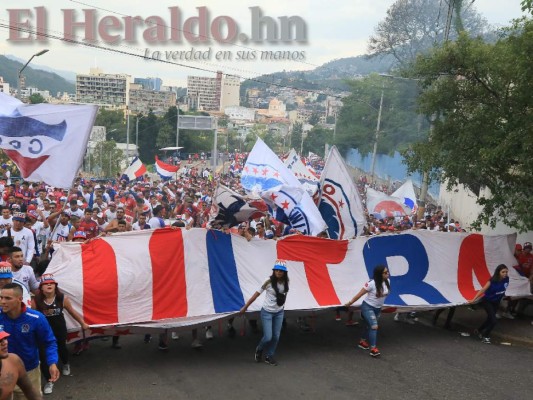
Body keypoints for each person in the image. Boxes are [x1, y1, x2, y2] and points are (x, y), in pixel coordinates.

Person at [0, 283, 59, 399]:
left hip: (29, 371)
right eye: (1, 297)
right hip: (3, 371)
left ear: (19, 299)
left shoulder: (36, 318)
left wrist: (52, 363)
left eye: (7, 298)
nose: (2, 301)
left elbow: (49, 342)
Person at [32, 274, 89, 394]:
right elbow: (33, 318)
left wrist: (82, 323)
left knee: (62, 347)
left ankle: (65, 363)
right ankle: (49, 380)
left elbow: (72, 313)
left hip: (59, 329)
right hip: (43, 332)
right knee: (43, 354)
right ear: (41, 288)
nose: (49, 285)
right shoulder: (36, 301)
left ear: (55, 286)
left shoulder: (62, 298)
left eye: (51, 283)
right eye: (45, 283)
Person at [240, 260, 289, 366]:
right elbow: (256, 294)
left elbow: (284, 295)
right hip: (267, 312)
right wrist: (245, 306)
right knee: (268, 337)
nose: (279, 272)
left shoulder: (286, 281)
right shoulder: (268, 281)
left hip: (279, 312)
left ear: (284, 272)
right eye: (277, 270)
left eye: (281, 271)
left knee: (276, 336)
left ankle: (269, 356)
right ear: (274, 270)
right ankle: (259, 349)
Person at [344, 265, 391, 357]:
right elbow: (359, 295)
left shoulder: (388, 281)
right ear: (379, 274)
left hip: (378, 308)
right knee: (374, 326)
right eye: (385, 272)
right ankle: (373, 349)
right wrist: (349, 303)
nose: (388, 273)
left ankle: (362, 341)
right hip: (368, 307)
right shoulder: (371, 284)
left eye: (387, 271)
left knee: (367, 325)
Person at [468, 264, 510, 344]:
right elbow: (483, 290)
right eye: (503, 272)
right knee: (494, 321)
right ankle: (485, 336)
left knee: (490, 319)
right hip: (488, 301)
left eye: (506, 272)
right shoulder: (492, 281)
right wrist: (473, 299)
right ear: (498, 272)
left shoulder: (507, 279)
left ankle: (479, 330)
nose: (505, 273)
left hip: (496, 302)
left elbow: (503, 289)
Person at [0, 327, 43, 400]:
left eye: (5, 338)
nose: (5, 343)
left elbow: (30, 391)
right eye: (0, 340)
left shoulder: (13, 361)